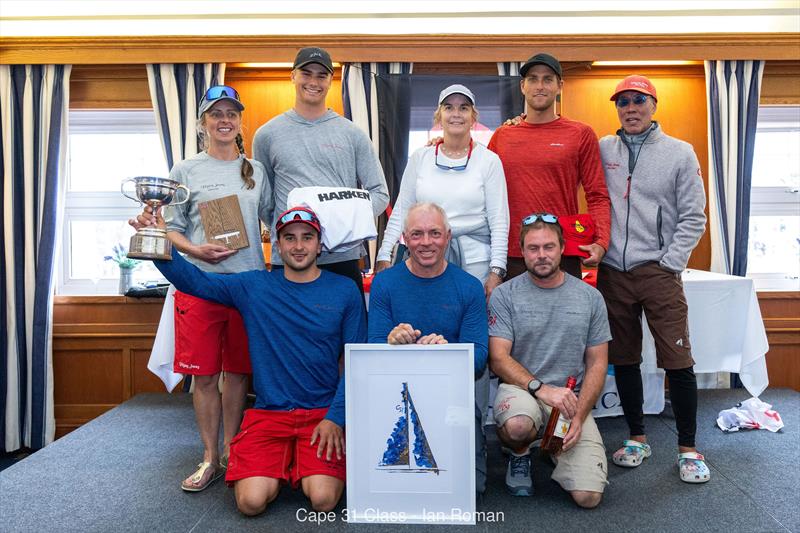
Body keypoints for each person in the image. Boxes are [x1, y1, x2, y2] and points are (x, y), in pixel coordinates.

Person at [151, 206, 366, 515]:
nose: (298, 245)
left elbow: (356, 362)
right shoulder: (254, 286)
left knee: (323, 500)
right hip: (269, 415)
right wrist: (160, 241)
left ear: (320, 245)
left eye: (307, 238)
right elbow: (196, 282)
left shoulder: (345, 291)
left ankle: (297, 465)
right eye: (289, 238)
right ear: (278, 246)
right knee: (250, 503)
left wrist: (336, 417)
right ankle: (282, 464)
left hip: (320, 414)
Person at [131, 85, 272, 492]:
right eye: (216, 114)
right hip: (199, 284)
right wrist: (197, 249)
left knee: (239, 375)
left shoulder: (256, 171)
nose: (224, 120)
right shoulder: (185, 171)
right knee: (205, 376)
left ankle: (232, 451)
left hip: (247, 285)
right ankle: (209, 457)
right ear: (203, 123)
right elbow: (168, 230)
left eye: (231, 113)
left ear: (240, 121)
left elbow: (272, 222)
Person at [597, 75, 709, 483]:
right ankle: (636, 437)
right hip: (613, 272)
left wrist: (670, 261)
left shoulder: (680, 153)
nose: (630, 108)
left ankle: (688, 449)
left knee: (678, 360)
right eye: (623, 101)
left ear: (653, 105)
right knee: (624, 358)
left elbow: (694, 215)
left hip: (658, 271)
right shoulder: (602, 149)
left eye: (638, 100)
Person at [488, 214, 610, 508]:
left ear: (562, 247)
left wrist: (578, 416)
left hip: (569, 399)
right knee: (518, 426)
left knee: (589, 497)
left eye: (548, 247)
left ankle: (551, 446)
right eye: (533, 248)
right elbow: (498, 358)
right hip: (523, 389)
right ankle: (519, 453)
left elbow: (597, 364)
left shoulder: (590, 297)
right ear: (521, 251)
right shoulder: (505, 295)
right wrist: (541, 389)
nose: (541, 255)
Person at [368, 202, 489, 492]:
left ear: (448, 237)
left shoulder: (469, 286)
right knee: (391, 485)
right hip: (395, 398)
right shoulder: (384, 283)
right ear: (405, 239)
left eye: (434, 233)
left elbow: (479, 358)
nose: (426, 242)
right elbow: (372, 350)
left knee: (471, 488)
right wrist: (391, 342)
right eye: (417, 234)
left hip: (451, 399)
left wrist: (447, 353)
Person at [252, 46, 389, 293]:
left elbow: (380, 193)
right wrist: (293, 232)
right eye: (306, 73)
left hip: (342, 259)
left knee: (348, 332)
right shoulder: (266, 135)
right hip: (290, 262)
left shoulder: (353, 134)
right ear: (293, 76)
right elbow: (264, 200)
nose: (313, 81)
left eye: (321, 75)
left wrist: (342, 224)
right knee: (290, 332)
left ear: (330, 80)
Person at [375, 84, 509, 300]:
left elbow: (499, 221)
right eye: (449, 107)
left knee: (469, 328)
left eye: (464, 108)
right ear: (439, 115)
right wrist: (384, 254)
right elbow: (401, 210)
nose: (456, 114)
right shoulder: (421, 158)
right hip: (424, 259)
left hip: (476, 264)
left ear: (473, 117)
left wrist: (496, 271)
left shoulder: (489, 161)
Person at [488, 52, 611, 279]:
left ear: (559, 86)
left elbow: (597, 195)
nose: (540, 86)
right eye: (533, 79)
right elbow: (482, 190)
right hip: (512, 256)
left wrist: (601, 242)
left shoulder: (580, 134)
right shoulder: (502, 135)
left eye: (548, 79)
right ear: (523, 86)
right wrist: (443, 143)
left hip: (562, 253)